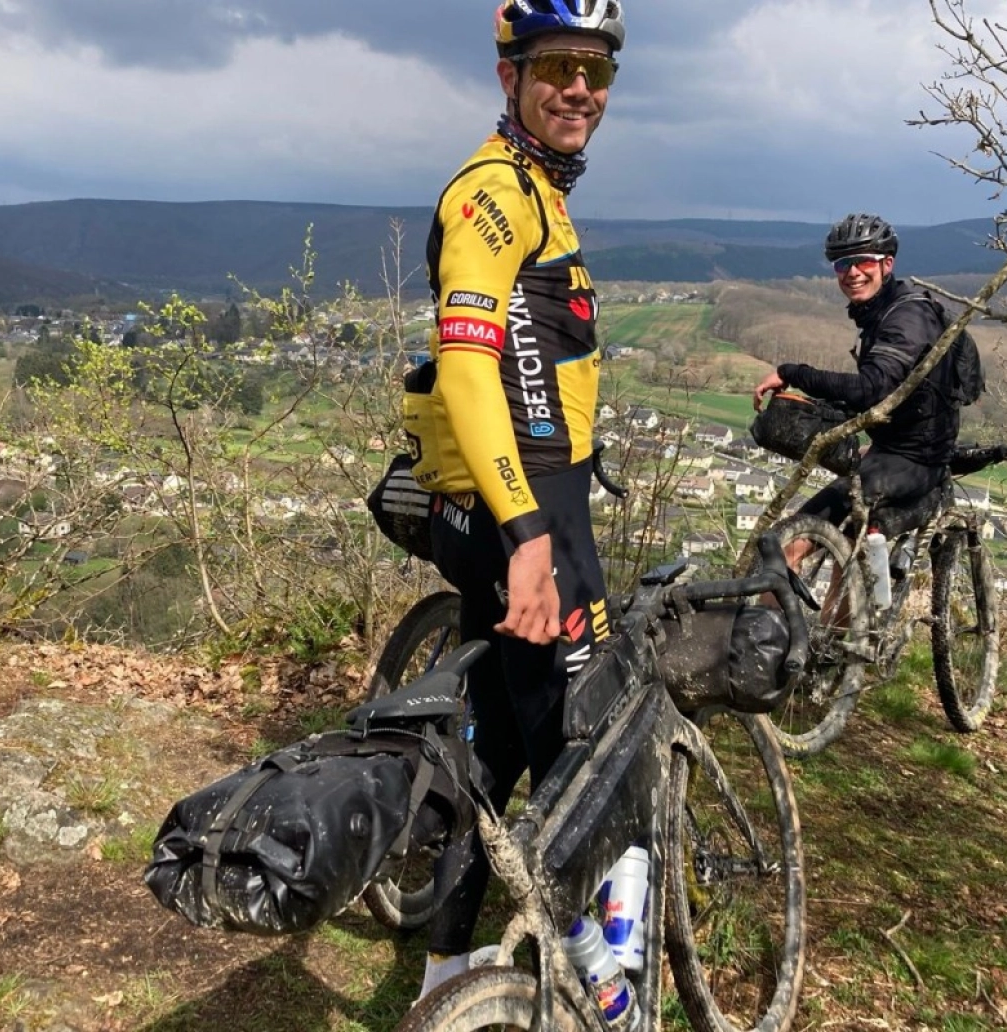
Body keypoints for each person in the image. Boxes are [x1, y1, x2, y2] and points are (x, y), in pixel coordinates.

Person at [407, 0, 625, 999]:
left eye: (598, 70)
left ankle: (445, 966)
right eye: (558, 66)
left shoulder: (541, 189)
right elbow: (466, 368)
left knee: (494, 742)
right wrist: (530, 535)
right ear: (510, 78)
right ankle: (606, 984)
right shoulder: (494, 195)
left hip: (536, 503)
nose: (580, 86)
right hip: (527, 518)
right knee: (585, 759)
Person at [752, 213, 962, 552]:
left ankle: (770, 608)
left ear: (887, 263)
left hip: (914, 460)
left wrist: (793, 372)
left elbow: (872, 389)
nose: (852, 272)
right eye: (842, 263)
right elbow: (888, 395)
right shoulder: (884, 312)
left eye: (863, 260)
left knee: (786, 546)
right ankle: (850, 602)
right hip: (897, 448)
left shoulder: (906, 318)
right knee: (843, 547)